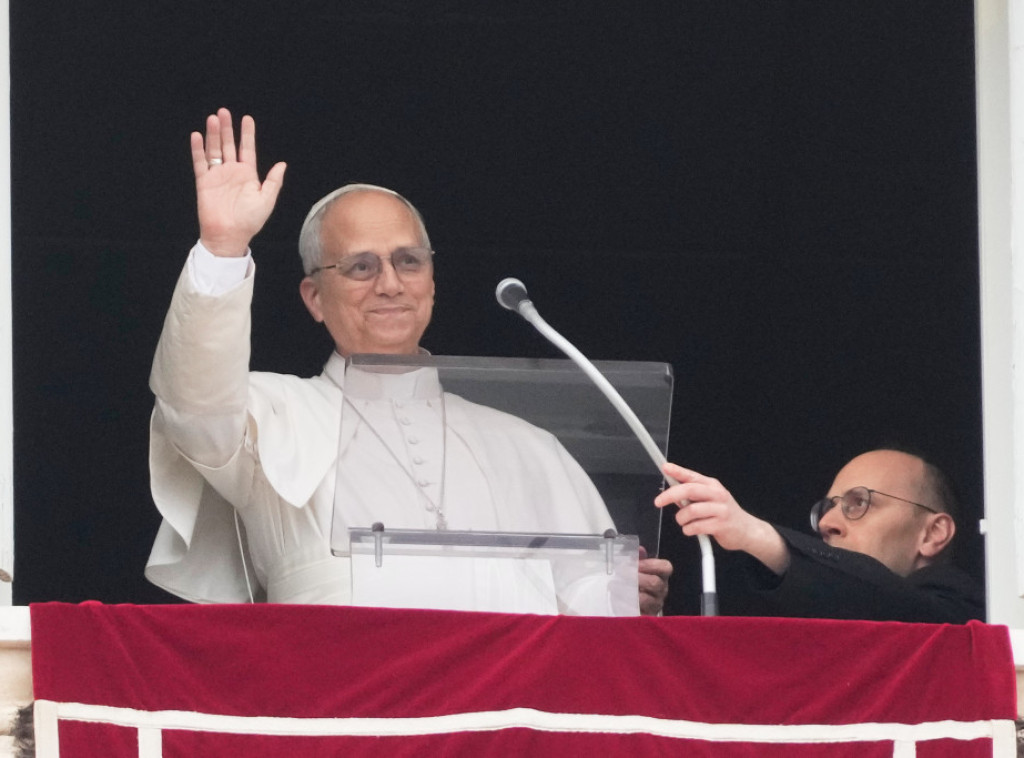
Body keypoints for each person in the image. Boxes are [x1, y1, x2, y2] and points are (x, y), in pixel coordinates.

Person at [145, 107, 671, 614]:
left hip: (504, 698)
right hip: (335, 686)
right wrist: (223, 247)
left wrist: (624, 597)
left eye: (408, 261)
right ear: (313, 298)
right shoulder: (272, 414)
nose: (390, 284)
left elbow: (580, 605)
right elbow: (194, 404)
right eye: (360, 267)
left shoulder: (526, 444)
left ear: (432, 283)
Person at [654, 448, 983, 623]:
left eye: (860, 503)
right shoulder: (817, 616)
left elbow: (908, 613)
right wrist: (643, 614)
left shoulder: (960, 611)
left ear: (933, 533)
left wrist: (755, 534)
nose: (827, 522)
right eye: (829, 506)